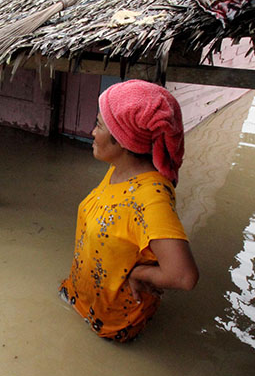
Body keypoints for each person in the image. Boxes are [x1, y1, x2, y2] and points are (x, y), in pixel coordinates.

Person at [59, 80, 199, 342]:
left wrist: (139, 273)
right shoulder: (118, 171)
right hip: (82, 297)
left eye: (99, 125)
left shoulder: (150, 199)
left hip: (113, 323)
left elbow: (183, 275)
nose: (91, 132)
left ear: (123, 141)